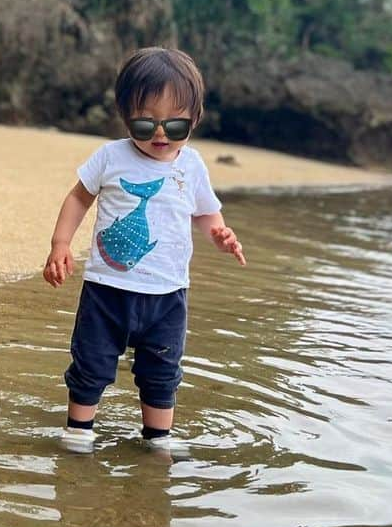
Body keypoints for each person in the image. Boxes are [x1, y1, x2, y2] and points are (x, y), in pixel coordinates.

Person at [43, 46, 245, 456]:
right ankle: (80, 427)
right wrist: (60, 244)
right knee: (91, 361)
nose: (159, 135)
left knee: (162, 371)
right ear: (123, 114)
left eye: (175, 125)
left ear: (195, 118)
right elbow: (79, 198)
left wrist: (220, 233)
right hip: (107, 288)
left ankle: (157, 438)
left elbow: (207, 213)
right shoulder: (110, 157)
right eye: (143, 122)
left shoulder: (192, 166)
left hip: (168, 294)